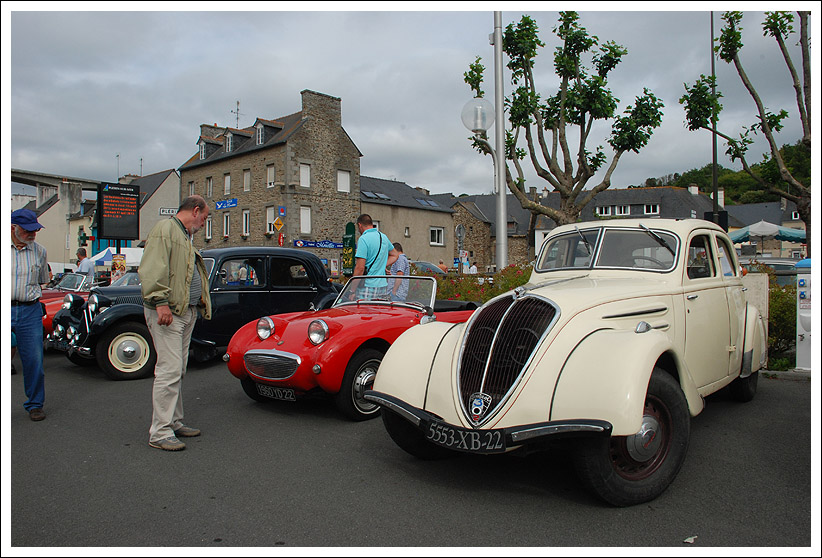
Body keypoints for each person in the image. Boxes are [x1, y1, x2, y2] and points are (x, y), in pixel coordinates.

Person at [139, 195, 212, 451]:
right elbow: (152, 268)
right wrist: (160, 302)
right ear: (195, 211)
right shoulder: (166, 230)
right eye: (204, 218)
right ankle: (160, 432)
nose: (203, 224)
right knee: (169, 370)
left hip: (183, 311)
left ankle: (173, 422)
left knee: (177, 369)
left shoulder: (182, 234)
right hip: (169, 312)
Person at [11, 209, 50, 421]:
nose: (33, 234)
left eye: (35, 230)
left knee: (34, 360)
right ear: (13, 228)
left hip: (29, 309)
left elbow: (42, 279)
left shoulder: (40, 251)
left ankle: (35, 404)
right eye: (28, 231)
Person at [352, 214, 398, 300]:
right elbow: (395, 255)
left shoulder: (363, 239)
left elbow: (360, 268)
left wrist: (352, 290)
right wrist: (382, 265)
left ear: (359, 225)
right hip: (383, 286)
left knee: (364, 312)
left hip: (367, 286)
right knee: (379, 312)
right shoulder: (383, 237)